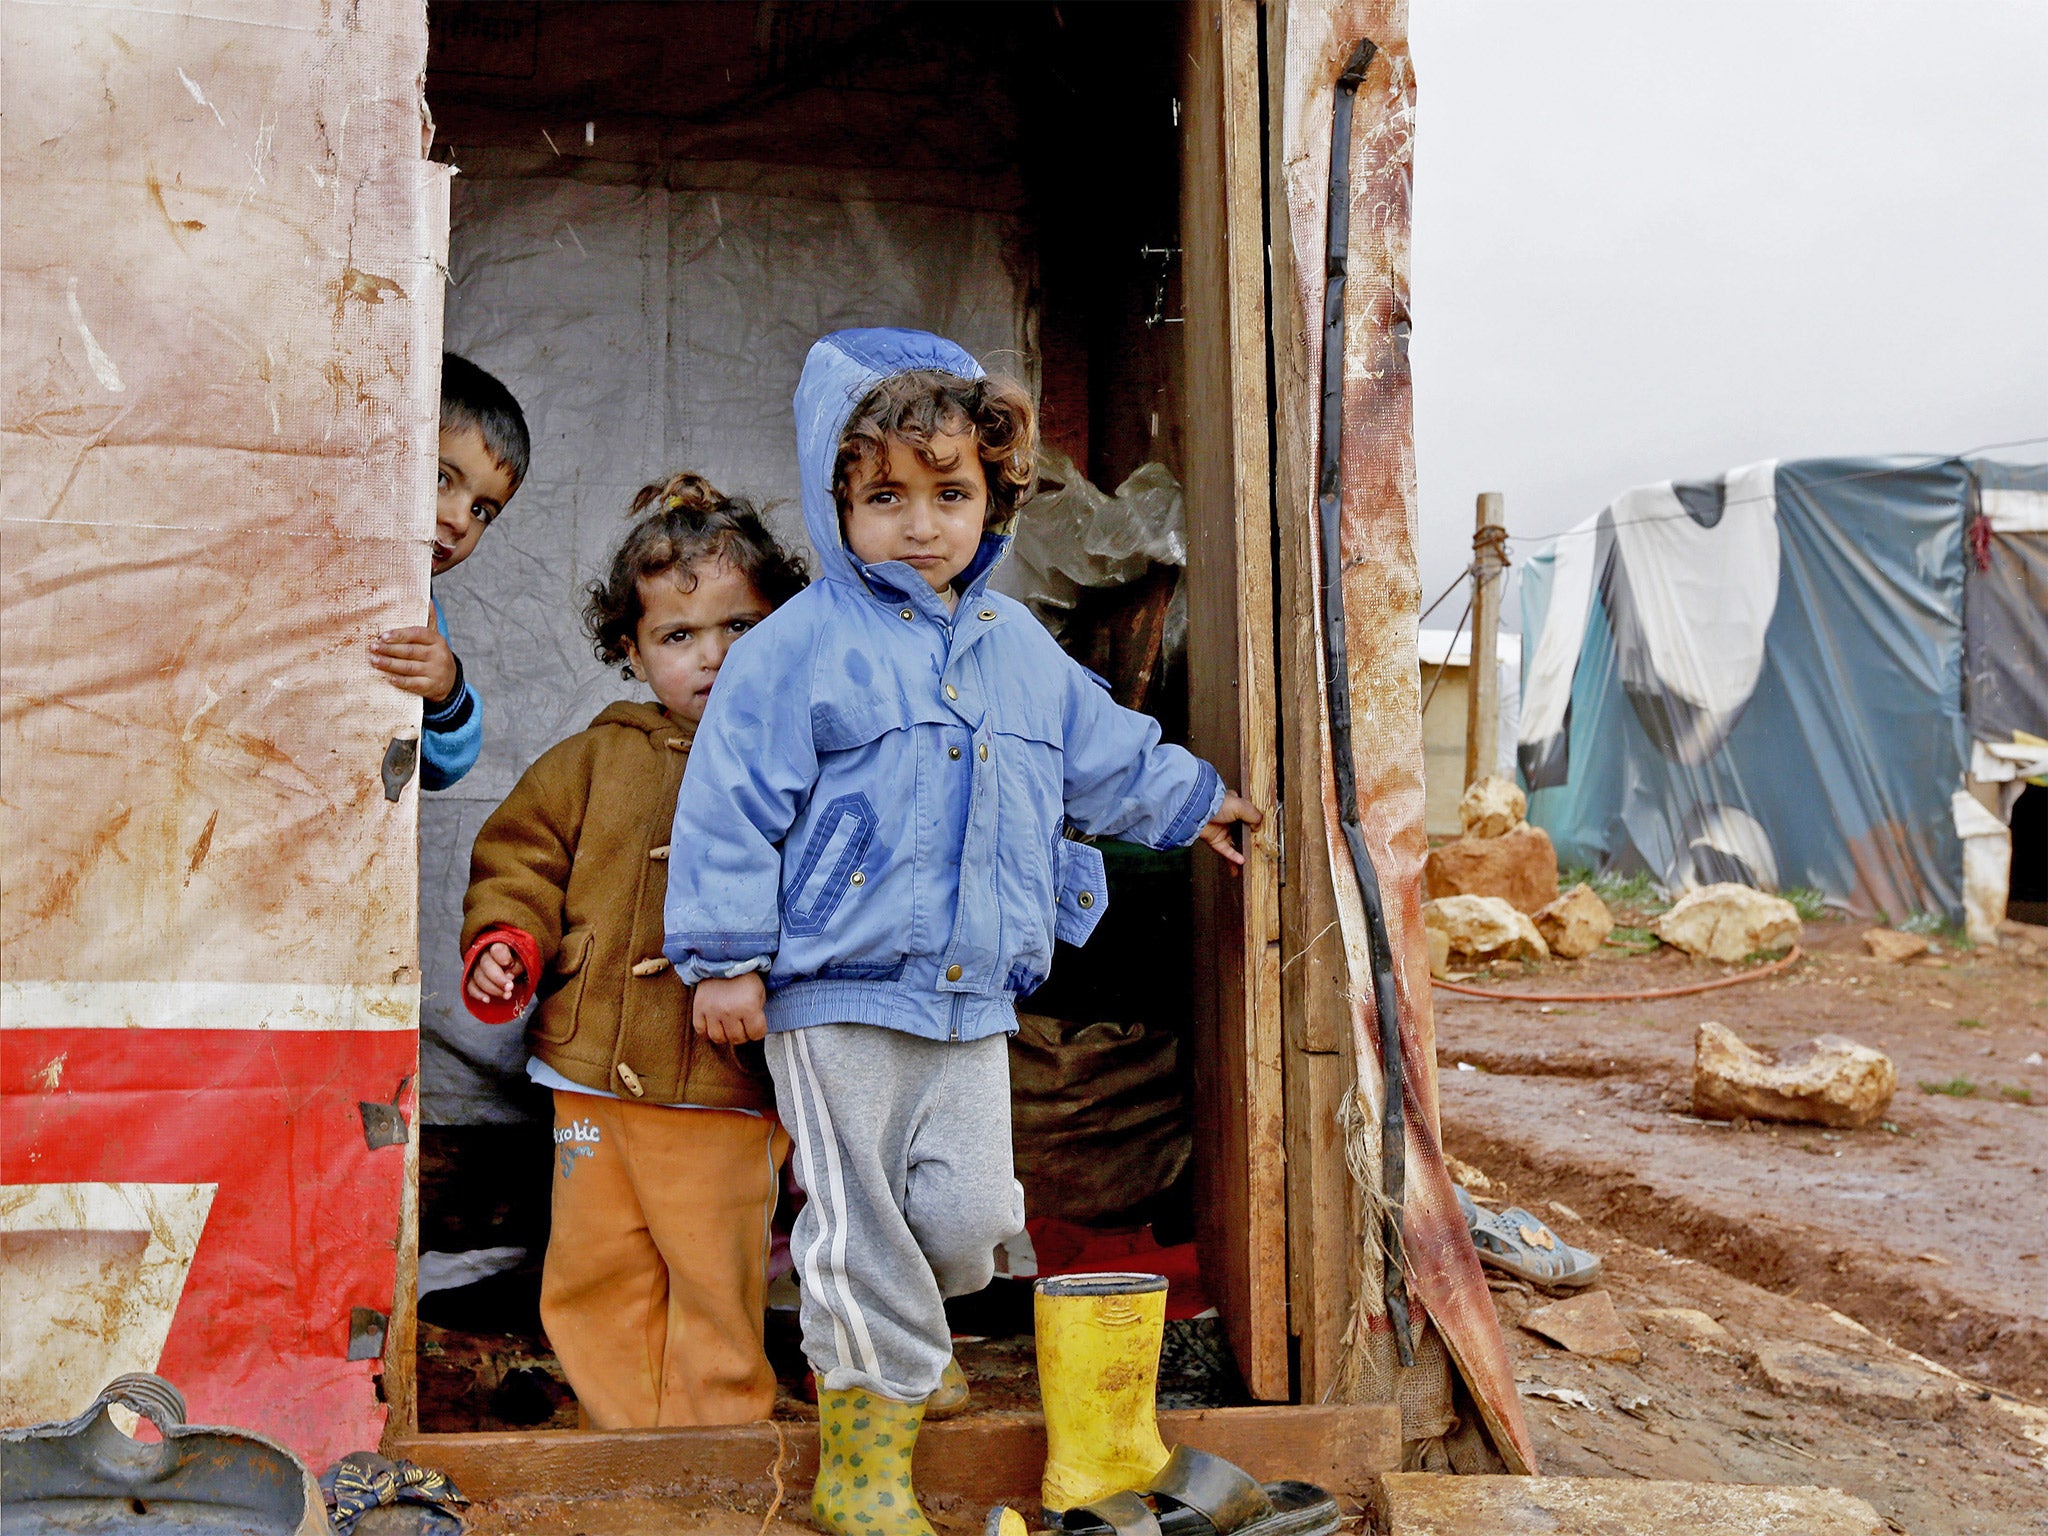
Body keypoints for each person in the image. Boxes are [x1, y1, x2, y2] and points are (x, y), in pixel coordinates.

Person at [665, 329, 1262, 1536]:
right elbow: (728, 800)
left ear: (993, 501)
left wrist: (1197, 802)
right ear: (840, 504)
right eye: (886, 496)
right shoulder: (796, 649)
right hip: (834, 992)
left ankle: (910, 1340)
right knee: (859, 1221)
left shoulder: (1016, 649)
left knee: (972, 1215)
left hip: (974, 992)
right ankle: (861, 1470)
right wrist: (726, 957)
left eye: (950, 495)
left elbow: (1098, 754)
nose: (920, 524)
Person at [459, 474, 809, 1428]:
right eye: (678, 637)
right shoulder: (590, 761)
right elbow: (520, 858)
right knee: (592, 1268)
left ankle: (722, 1439)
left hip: (722, 1083)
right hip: (587, 1076)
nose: (713, 657)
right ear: (631, 649)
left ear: (782, 628)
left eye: (739, 627)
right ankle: (624, 1436)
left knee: (713, 1270)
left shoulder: (805, 763)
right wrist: (509, 942)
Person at [370, 354, 529, 789]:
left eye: (482, 510)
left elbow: (442, 770)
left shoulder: (422, 615)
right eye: (442, 478)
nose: (461, 521)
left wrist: (444, 689)